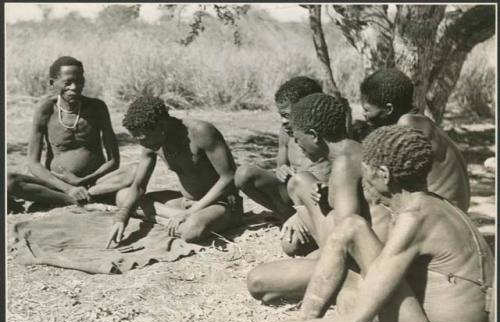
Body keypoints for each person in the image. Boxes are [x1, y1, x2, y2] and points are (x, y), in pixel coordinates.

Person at [234, 125, 493, 322]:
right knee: (351, 237)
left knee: (352, 229)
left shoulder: (415, 218)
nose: (365, 188)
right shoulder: (436, 205)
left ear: (385, 175)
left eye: (367, 179)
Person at [106, 96, 242, 247]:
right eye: (138, 140)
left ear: (162, 125)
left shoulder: (201, 131)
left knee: (191, 231)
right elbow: (138, 187)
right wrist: (121, 218)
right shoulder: (151, 141)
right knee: (123, 197)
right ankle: (173, 218)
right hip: (184, 203)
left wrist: (190, 213)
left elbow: (229, 176)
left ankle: (172, 218)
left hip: (219, 204)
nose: (142, 144)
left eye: (145, 138)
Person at [7, 56, 135, 212]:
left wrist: (84, 180)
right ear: (52, 83)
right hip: (58, 185)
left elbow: (114, 160)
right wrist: (69, 188)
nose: (74, 87)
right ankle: (76, 201)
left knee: (135, 170)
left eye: (80, 81)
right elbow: (33, 163)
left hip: (96, 183)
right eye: (68, 83)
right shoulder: (45, 110)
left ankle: (73, 199)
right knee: (8, 182)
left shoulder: (97, 107)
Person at [234, 77, 328, 256]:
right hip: (291, 193)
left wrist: (303, 213)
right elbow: (280, 164)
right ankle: (286, 215)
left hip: (317, 201)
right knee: (244, 174)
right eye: (281, 115)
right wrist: (281, 169)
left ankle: (306, 223)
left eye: (288, 115)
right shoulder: (286, 131)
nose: (284, 121)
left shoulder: (322, 135)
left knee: (291, 247)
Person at [360, 68, 470, 211]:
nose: (364, 115)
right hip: (452, 212)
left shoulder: (407, 125)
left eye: (367, 110)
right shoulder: (421, 122)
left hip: (441, 214)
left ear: (389, 109)